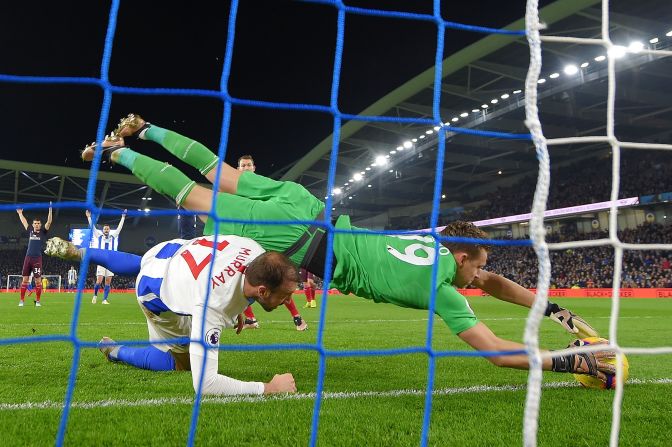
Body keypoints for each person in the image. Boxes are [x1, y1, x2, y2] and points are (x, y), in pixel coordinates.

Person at [80, 115, 613, 382]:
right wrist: (572, 361)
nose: (480, 278)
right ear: (465, 255)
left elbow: (493, 283)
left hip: (304, 204)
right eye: (479, 266)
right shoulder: (445, 290)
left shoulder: (436, 245)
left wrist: (562, 313)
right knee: (198, 194)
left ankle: (145, 131)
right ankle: (120, 153)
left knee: (215, 172)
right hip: (302, 240)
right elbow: (496, 351)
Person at [45, 235, 298, 396]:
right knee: (181, 363)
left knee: (143, 260)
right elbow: (205, 386)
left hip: (171, 249)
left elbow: (238, 280)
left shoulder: (254, 249)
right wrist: (268, 388)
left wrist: (239, 305)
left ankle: (81, 252)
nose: (288, 301)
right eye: (285, 296)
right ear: (263, 291)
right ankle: (115, 351)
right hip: (154, 290)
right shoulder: (212, 304)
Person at [235, 154, 308, 331]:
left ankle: (297, 317)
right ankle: (251, 320)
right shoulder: (235, 191)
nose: (245, 168)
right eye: (242, 165)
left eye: (248, 165)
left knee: (278, 278)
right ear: (238, 169)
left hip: (267, 238)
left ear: (254, 168)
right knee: (241, 279)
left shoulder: (262, 187)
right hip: (247, 240)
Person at [85, 208, 126, 304]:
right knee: (99, 281)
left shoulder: (113, 237)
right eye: (105, 229)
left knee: (108, 282)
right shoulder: (99, 236)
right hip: (101, 262)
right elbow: (92, 227)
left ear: (109, 230)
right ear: (103, 230)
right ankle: (95, 296)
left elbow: (119, 228)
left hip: (111, 262)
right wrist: (89, 217)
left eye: (107, 229)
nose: (106, 230)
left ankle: (104, 299)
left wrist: (123, 217)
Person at [16, 203, 52, 307]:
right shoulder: (30, 230)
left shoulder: (42, 232)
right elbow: (24, 222)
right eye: (35, 223)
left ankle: (38, 301)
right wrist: (20, 213)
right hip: (28, 258)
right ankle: (22, 300)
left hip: (37, 259)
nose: (36, 225)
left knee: (38, 281)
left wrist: (50, 210)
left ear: (40, 225)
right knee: (25, 280)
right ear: (33, 224)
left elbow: (49, 222)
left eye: (38, 223)